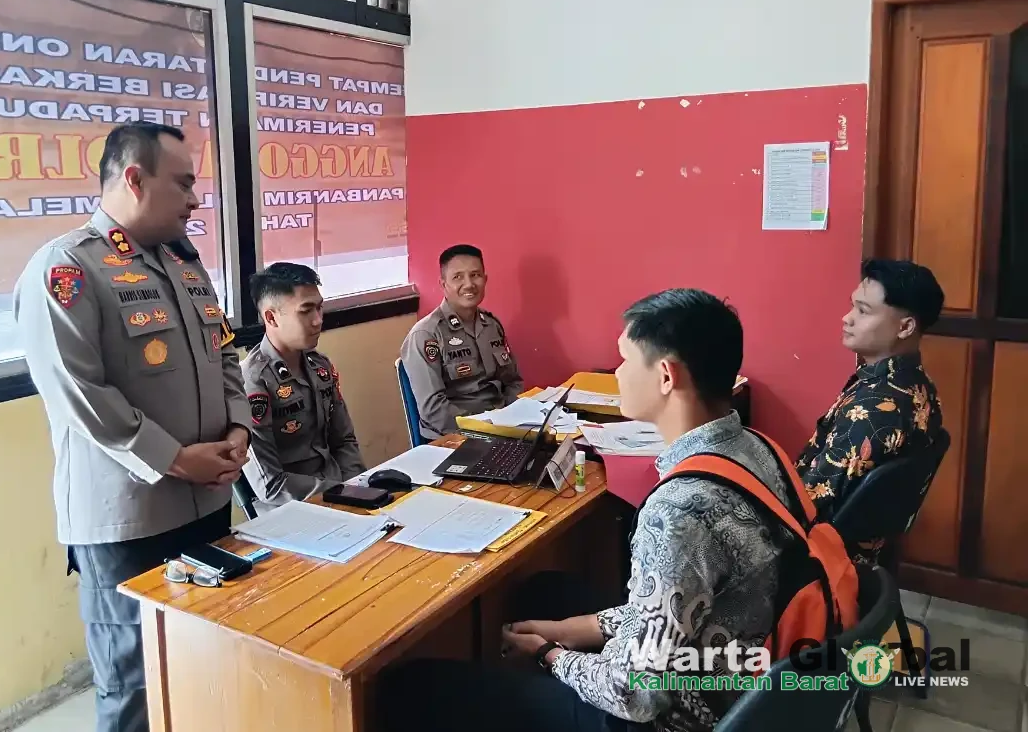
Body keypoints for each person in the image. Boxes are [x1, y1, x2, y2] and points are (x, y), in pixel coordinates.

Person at [379, 289, 798, 732]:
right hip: (736, 671)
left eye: (625, 360)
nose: (617, 372)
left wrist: (550, 654)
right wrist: (564, 631)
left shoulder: (679, 511)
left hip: (678, 714)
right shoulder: (759, 449)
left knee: (411, 687)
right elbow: (664, 609)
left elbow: (637, 695)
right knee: (540, 591)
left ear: (666, 376)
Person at [14, 121, 253, 732]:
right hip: (129, 518)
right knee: (135, 682)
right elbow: (78, 390)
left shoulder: (184, 264)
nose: (195, 199)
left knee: (203, 659)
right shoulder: (68, 269)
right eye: (183, 184)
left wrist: (237, 429)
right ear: (135, 179)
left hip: (207, 500)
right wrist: (175, 458)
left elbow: (225, 353)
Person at [796, 258, 945, 564]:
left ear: (905, 327)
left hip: (821, 557)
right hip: (865, 550)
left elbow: (808, 507)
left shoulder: (872, 411)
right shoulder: (919, 384)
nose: (847, 318)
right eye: (852, 306)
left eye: (863, 311)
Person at [240, 262, 366, 511]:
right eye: (306, 311)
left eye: (319, 308)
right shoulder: (253, 381)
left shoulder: (320, 366)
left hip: (340, 493)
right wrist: (339, 493)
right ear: (271, 318)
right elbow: (270, 485)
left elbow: (344, 441)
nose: (318, 320)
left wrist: (357, 487)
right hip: (290, 510)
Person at [400, 244, 524, 439]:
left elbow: (513, 382)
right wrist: (485, 429)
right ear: (443, 285)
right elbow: (434, 410)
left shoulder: (491, 325)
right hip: (455, 437)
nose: (469, 284)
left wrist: (515, 418)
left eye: (475, 275)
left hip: (501, 428)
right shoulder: (426, 335)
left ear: (485, 279)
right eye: (458, 277)